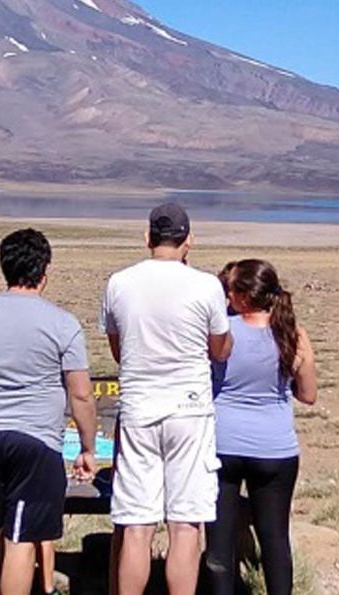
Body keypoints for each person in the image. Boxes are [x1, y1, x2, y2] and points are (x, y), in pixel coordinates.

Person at [0, 228, 99, 595]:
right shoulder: (63, 323)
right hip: (37, 441)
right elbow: (81, 395)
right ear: (44, 271)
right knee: (21, 538)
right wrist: (88, 448)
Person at [101, 203, 233, 595]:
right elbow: (220, 348)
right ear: (189, 240)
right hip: (190, 411)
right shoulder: (207, 285)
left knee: (136, 526)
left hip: (140, 407)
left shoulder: (119, 283)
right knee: (186, 524)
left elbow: (117, 348)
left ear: (147, 238)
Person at [205, 259, 317, 595]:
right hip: (276, 448)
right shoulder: (292, 334)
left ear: (240, 296)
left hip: (221, 443)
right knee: (275, 539)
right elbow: (309, 394)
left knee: (219, 542)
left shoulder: (220, 334)